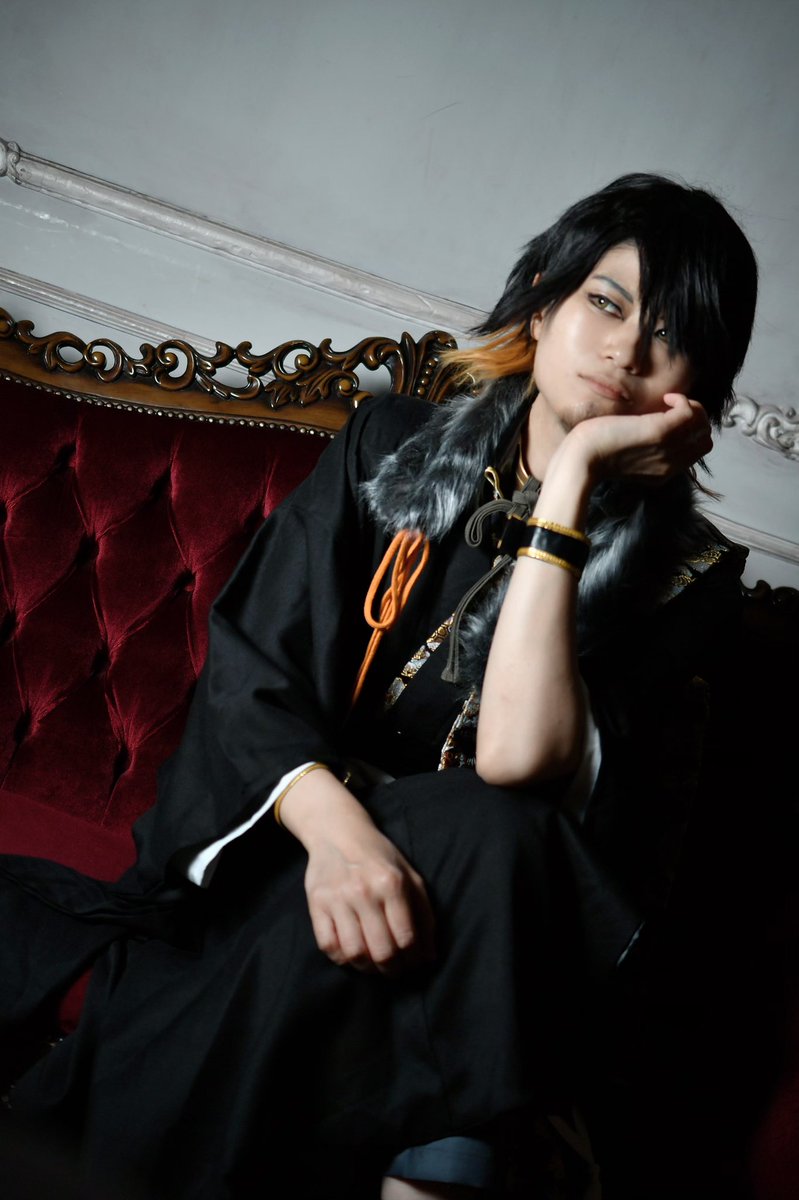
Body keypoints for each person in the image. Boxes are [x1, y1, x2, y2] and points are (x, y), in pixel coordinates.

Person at [0, 173, 757, 1199]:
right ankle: (442, 1167)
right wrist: (338, 839)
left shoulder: (688, 576)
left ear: (697, 391)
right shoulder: (392, 444)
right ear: (542, 308)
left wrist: (572, 483)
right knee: (487, 841)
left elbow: (516, 764)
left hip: (460, 904)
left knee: (496, 825)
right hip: (276, 844)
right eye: (605, 303)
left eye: (669, 337)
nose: (626, 350)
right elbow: (253, 667)